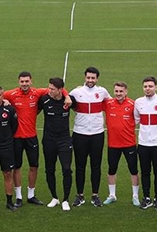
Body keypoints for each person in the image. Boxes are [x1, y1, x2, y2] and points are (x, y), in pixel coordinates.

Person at [0, 72, 68, 207]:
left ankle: (31, 195)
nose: (24, 84)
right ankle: (18, 197)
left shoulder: (37, 92)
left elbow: (58, 87)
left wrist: (67, 95)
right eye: (22, 81)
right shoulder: (11, 94)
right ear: (18, 82)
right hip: (16, 138)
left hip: (32, 136)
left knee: (34, 166)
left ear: (31, 81)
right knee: (17, 167)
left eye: (27, 81)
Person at [70, 67, 109, 207]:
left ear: (97, 79)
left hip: (97, 134)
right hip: (79, 134)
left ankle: (95, 195)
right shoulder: (76, 92)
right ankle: (80, 195)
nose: (90, 80)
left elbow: (112, 104)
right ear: (84, 77)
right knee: (80, 166)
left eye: (93, 78)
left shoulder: (102, 92)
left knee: (96, 166)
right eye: (88, 78)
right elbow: (64, 101)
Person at [37, 77, 75, 211]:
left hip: (64, 141)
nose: (49, 91)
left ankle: (65, 199)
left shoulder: (69, 100)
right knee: (49, 169)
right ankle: (54, 197)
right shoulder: (44, 100)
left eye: (52, 89)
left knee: (66, 169)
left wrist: (67, 96)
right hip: (49, 140)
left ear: (60, 90)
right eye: (49, 88)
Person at [135, 76, 157, 210]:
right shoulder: (138, 102)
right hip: (143, 144)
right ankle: (146, 197)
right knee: (145, 172)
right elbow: (136, 119)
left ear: (156, 87)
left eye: (150, 86)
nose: (148, 89)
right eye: (145, 86)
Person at [104, 81, 140, 207]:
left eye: (121, 91)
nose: (118, 94)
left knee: (133, 170)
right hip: (113, 144)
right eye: (116, 91)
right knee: (112, 169)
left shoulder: (132, 104)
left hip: (129, 143)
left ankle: (135, 196)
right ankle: (112, 195)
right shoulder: (108, 103)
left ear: (126, 92)